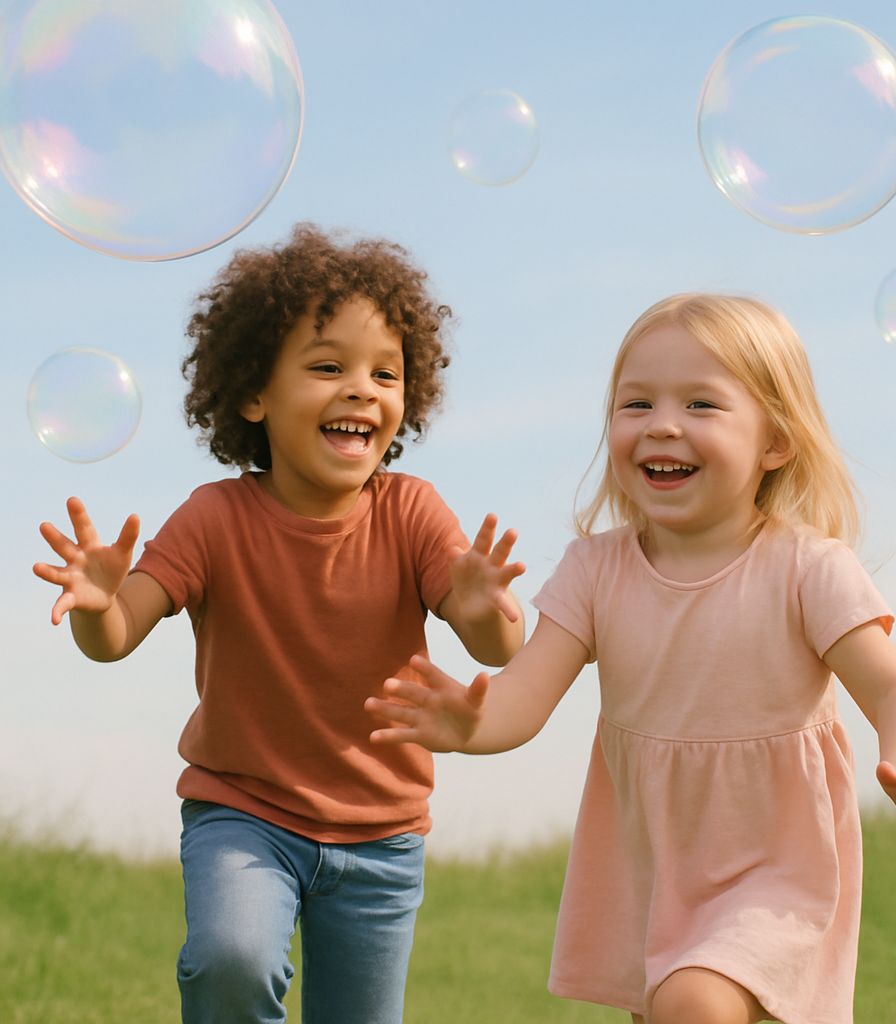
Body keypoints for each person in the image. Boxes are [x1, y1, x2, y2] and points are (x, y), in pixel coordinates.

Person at [365, 294, 896, 1024]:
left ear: (775, 441)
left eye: (702, 404)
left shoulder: (807, 569)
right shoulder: (594, 570)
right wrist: (470, 723)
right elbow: (525, 693)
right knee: (676, 1006)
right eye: (636, 403)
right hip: (653, 865)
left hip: (775, 867)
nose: (662, 425)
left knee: (693, 1002)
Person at [33, 224, 526, 1024]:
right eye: (328, 367)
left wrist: (482, 612)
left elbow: (499, 646)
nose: (362, 389)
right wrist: (97, 606)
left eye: (385, 374)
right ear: (254, 393)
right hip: (243, 813)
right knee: (232, 961)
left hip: (382, 836)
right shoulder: (214, 518)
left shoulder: (413, 513)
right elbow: (118, 635)